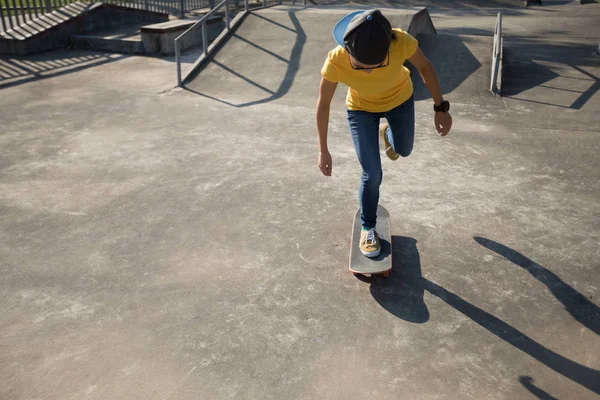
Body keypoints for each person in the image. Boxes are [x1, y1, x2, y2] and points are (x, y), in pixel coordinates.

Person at [316, 9, 452, 258]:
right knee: (372, 173)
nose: (368, 72)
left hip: (399, 101)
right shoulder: (336, 59)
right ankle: (368, 227)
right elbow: (323, 103)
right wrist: (324, 150)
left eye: (375, 66)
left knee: (404, 150)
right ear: (348, 52)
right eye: (360, 67)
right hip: (360, 110)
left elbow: (425, 66)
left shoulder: (401, 42)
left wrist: (440, 108)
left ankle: (387, 131)